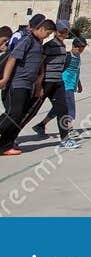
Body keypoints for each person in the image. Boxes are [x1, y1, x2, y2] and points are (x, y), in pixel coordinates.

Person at [0, 17, 50, 155]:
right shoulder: (26, 39)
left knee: (19, 116)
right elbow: (12, 58)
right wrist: (5, 79)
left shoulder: (38, 44)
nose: (48, 36)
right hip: (17, 83)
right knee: (13, 114)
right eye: (48, 33)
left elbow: (38, 65)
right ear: (41, 29)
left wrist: (38, 85)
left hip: (28, 85)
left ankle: (5, 145)